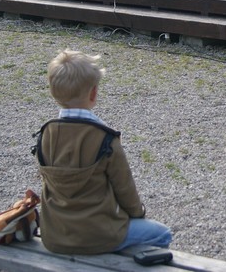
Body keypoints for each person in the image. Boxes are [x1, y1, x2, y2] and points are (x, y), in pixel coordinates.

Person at [34, 50, 172, 254]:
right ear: (93, 93)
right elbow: (125, 189)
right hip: (100, 234)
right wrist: (137, 213)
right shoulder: (105, 138)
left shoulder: (46, 134)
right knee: (163, 234)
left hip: (55, 235)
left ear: (54, 94)